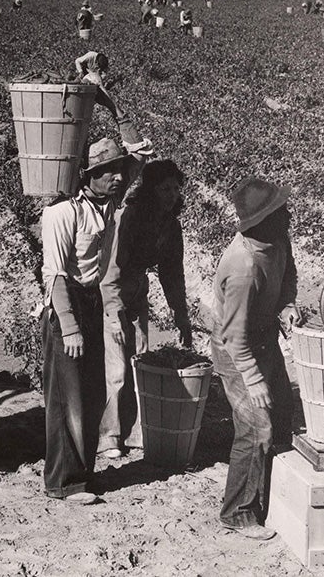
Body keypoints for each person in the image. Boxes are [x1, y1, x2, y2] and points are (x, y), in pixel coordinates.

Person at [39, 138, 148, 505]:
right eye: (108, 171)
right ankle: (64, 481)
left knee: (91, 393)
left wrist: (107, 101)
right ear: (89, 176)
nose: (119, 177)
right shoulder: (62, 213)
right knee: (67, 398)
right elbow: (54, 275)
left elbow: (139, 155)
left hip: (92, 301)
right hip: (66, 305)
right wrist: (69, 326)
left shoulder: (108, 203)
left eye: (120, 170)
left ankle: (83, 474)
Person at [211, 178, 299, 541]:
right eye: (281, 211)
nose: (289, 215)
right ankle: (238, 512)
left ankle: (273, 498)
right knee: (254, 426)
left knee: (281, 416)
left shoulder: (277, 240)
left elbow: (289, 272)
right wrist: (253, 379)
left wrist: (288, 302)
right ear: (260, 221)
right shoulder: (243, 267)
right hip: (237, 351)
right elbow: (234, 337)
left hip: (262, 339)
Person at [98, 160, 192, 459]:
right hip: (112, 288)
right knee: (115, 367)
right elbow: (110, 269)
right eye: (165, 189)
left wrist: (180, 314)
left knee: (139, 358)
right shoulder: (129, 217)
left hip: (137, 288)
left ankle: (137, 431)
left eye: (176, 189)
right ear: (150, 190)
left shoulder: (169, 224)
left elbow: (172, 272)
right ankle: (108, 436)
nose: (172, 195)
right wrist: (113, 314)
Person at [73, 51, 152, 153]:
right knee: (113, 109)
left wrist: (102, 89)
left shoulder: (96, 75)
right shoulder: (89, 56)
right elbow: (78, 61)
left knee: (112, 108)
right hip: (86, 78)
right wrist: (80, 73)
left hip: (91, 83)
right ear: (96, 64)